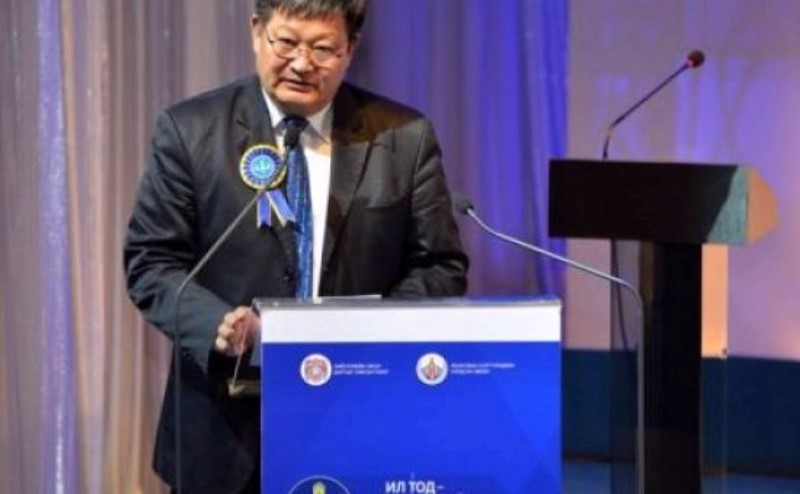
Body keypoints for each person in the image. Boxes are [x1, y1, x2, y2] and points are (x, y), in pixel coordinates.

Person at [123, 0, 468, 492]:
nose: (302, 63)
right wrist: (219, 325)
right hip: (225, 430)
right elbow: (152, 261)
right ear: (256, 31)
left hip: (358, 413)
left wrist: (365, 333)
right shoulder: (191, 131)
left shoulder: (404, 138)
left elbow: (439, 266)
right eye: (286, 42)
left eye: (323, 48)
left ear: (351, 49)